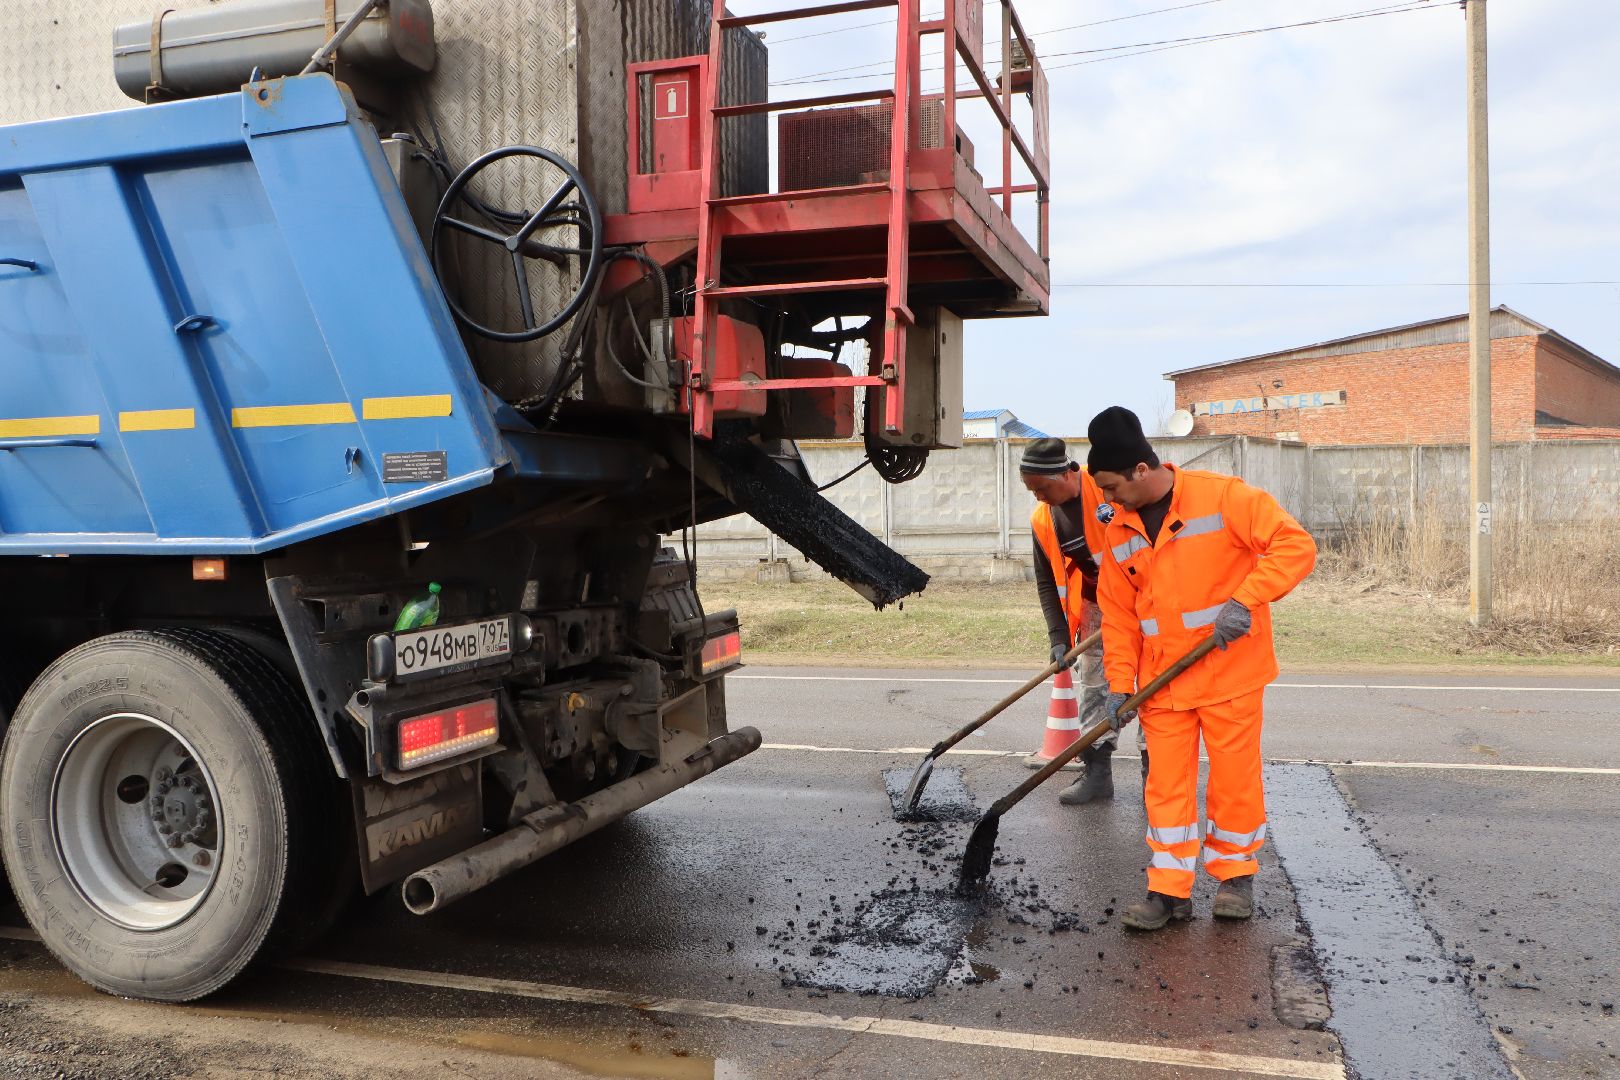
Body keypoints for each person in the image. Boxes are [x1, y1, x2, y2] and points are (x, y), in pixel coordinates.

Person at [1086, 406, 1315, 930]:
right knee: (1165, 788)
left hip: (1229, 673)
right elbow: (1119, 617)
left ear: (1141, 471)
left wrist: (1246, 599)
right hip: (1162, 682)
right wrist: (1120, 687)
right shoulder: (1117, 529)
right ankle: (1168, 891)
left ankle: (1235, 878)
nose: (1106, 499)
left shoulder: (1223, 496)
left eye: (1111, 487)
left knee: (1234, 782)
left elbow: (1295, 545)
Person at [1018, 438, 1121, 804]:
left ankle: (1153, 771)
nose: (1038, 497)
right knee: (1094, 689)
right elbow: (1046, 581)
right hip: (1097, 606)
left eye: (1042, 488)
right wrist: (1058, 637)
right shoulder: (1043, 519)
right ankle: (1097, 775)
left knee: (1153, 689)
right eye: (1031, 490)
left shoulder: (1107, 488)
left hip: (1143, 601)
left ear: (1065, 473)